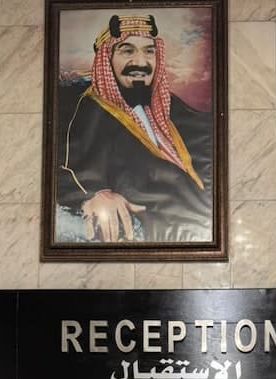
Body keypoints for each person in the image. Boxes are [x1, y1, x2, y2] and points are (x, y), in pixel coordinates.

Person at [56, 13, 212, 244]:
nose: (141, 62)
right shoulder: (87, 110)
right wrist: (94, 195)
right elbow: (64, 163)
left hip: (201, 224)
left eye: (149, 51)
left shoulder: (170, 106)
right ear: (107, 59)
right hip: (155, 230)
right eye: (127, 51)